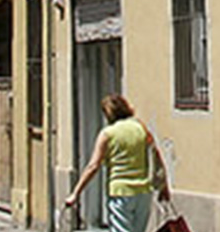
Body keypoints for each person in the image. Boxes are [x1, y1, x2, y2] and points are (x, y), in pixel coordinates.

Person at [64, 94, 170, 232]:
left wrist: (76, 193)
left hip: (120, 192)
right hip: (143, 191)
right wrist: (163, 186)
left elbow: (93, 166)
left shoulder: (107, 134)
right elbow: (156, 157)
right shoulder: (141, 128)